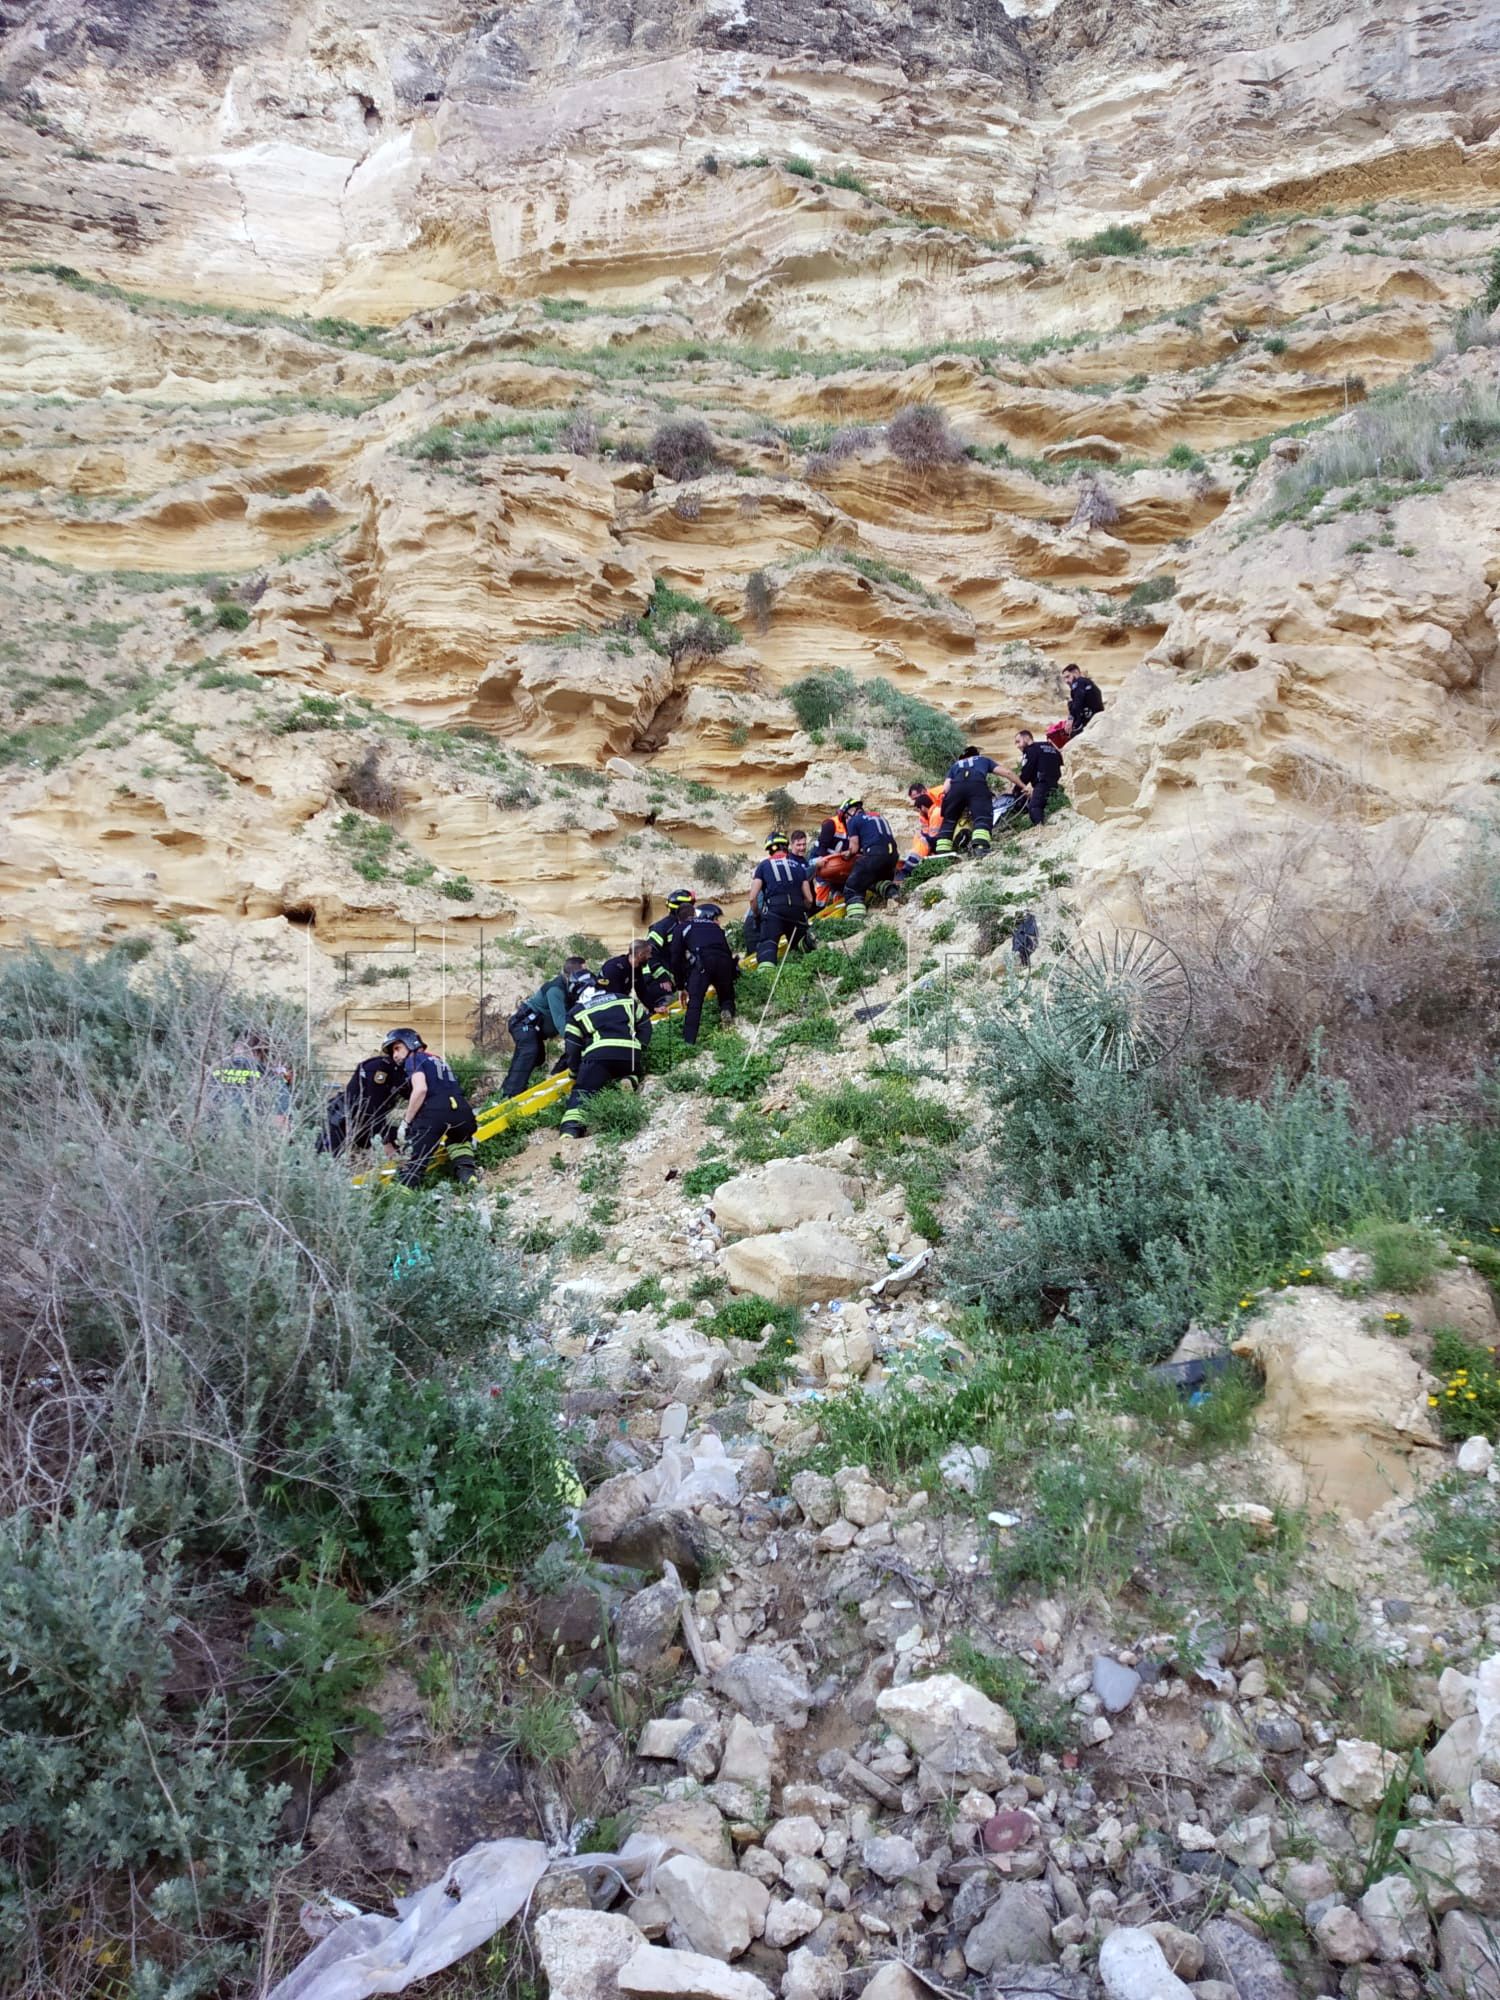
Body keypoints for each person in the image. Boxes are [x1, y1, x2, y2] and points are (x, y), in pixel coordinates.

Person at [383, 1029, 478, 1188]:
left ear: (409, 1043)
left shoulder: (413, 1059)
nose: (394, 1055)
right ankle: (468, 1177)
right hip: (463, 1111)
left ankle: (404, 1194)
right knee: (459, 1140)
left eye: (397, 1048)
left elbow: (420, 1089)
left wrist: (406, 1122)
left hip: (435, 1113)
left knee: (414, 1158)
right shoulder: (438, 1059)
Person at [559, 984, 652, 1138]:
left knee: (584, 1092)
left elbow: (573, 1047)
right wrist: (639, 1047)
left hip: (599, 1056)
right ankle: (628, 1079)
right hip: (629, 1053)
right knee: (635, 1071)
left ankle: (570, 1130)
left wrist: (576, 1073)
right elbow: (645, 1024)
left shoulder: (576, 1012)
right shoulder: (625, 1000)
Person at [502, 956, 588, 1097]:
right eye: (585, 971)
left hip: (534, 1030)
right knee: (530, 1051)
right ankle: (510, 1096)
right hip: (524, 1024)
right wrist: (579, 1041)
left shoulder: (572, 989)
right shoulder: (556, 990)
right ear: (574, 975)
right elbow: (561, 1023)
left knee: (536, 1058)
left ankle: (507, 1090)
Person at [317, 1048, 409, 1157]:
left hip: (365, 1125)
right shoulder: (378, 1067)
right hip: (343, 1120)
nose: (396, 1055)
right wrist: (386, 1143)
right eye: (395, 1050)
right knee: (322, 1159)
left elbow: (411, 1095)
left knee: (409, 1135)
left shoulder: (399, 1072)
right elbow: (373, 1109)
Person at [748, 834, 815, 966]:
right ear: (786, 847)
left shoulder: (763, 866)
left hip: (774, 912)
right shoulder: (798, 866)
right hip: (796, 911)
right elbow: (809, 899)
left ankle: (767, 977)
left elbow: (752, 897)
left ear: (769, 850)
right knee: (801, 944)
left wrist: (757, 915)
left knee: (767, 946)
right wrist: (802, 912)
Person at [680, 902, 739, 1043]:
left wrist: (682, 985)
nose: (718, 922)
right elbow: (727, 953)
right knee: (726, 996)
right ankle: (727, 1011)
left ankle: (689, 1041)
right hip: (722, 965)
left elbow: (679, 958)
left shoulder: (687, 929)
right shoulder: (716, 931)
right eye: (716, 918)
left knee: (695, 1002)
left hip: (702, 967)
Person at [840, 797, 899, 918]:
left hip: (875, 855)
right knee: (871, 880)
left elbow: (854, 849)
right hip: (892, 858)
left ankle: (856, 918)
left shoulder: (854, 821)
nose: (846, 820)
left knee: (853, 887)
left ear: (851, 810)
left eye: (845, 817)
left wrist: (846, 854)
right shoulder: (879, 817)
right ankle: (892, 892)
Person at [933, 747, 998, 856]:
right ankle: (980, 847)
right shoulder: (983, 760)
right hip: (977, 786)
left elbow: (945, 789)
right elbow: (1006, 772)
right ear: (977, 755)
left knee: (949, 820)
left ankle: (942, 852)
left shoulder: (956, 765)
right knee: (982, 816)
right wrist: (1023, 786)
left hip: (955, 790)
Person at [996, 729, 1063, 828]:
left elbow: (1026, 772)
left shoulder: (1030, 750)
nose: (1017, 746)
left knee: (1034, 806)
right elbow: (1060, 761)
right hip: (1057, 783)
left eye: (1018, 742)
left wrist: (1016, 791)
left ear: (1027, 738)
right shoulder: (1049, 746)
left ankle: (1040, 828)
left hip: (1042, 783)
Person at [644, 888, 695, 1004]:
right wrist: (663, 978)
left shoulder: (683, 924)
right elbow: (649, 954)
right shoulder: (661, 928)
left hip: (675, 976)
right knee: (668, 1003)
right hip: (655, 979)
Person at [600, 939, 658, 1007]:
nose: (650, 956)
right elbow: (616, 998)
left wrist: (654, 1007)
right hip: (604, 1004)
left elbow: (641, 990)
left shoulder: (636, 967)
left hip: (620, 1000)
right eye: (649, 953)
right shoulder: (613, 969)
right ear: (641, 955)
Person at [1064, 663, 1104, 736]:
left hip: (1089, 724)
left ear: (1076, 673)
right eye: (1065, 678)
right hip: (1097, 721)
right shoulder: (1088, 683)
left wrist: (1071, 719)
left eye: (1068, 676)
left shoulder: (1079, 682)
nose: (1066, 681)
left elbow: (1077, 702)